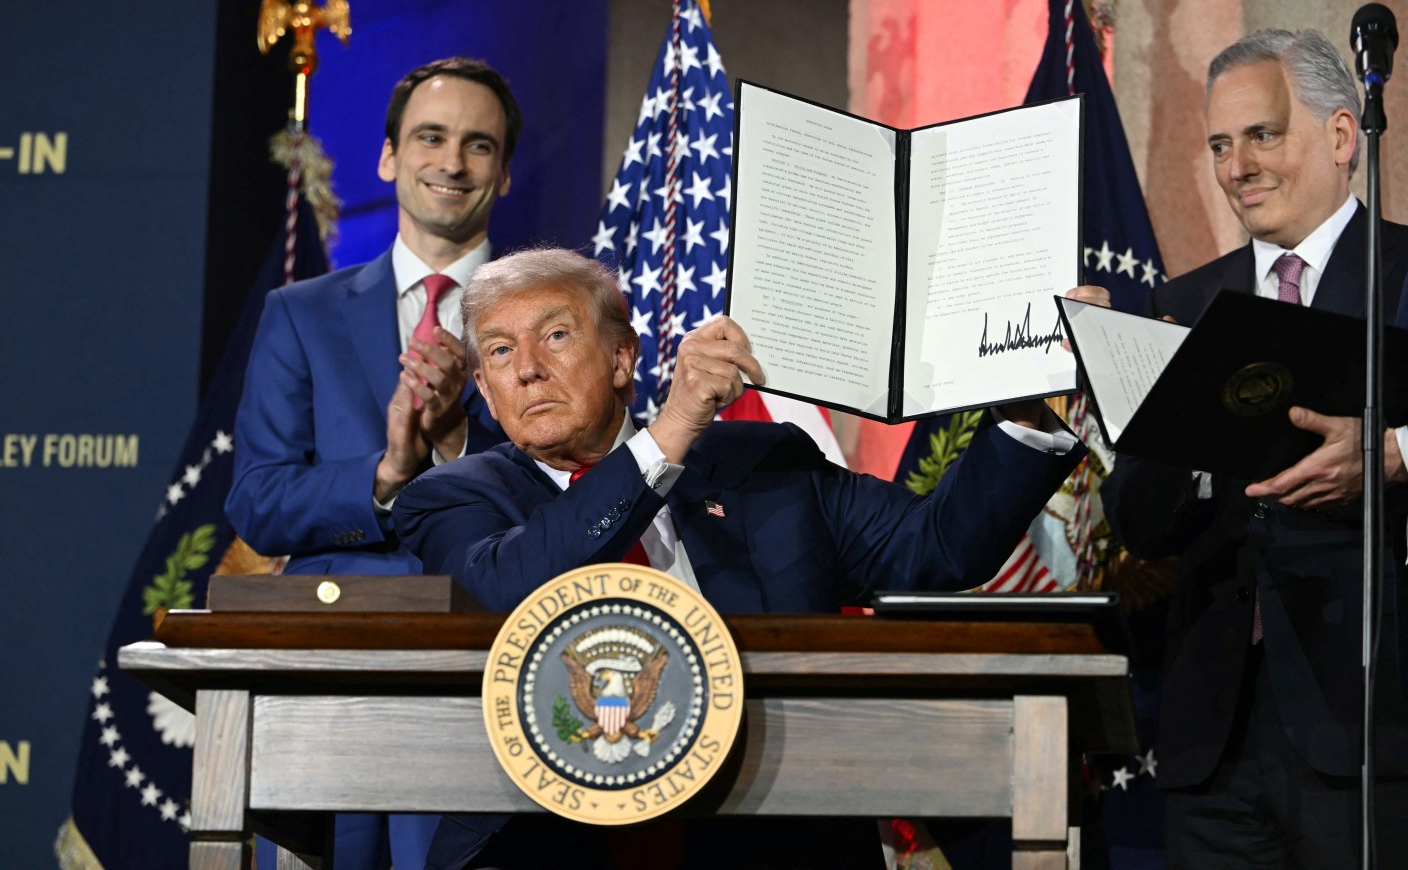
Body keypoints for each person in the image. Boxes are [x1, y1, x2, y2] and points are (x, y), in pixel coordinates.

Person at [393, 247, 1100, 869]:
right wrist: (672, 429)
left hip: (772, 820)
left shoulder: (762, 465)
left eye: (555, 335)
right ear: (482, 390)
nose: (528, 371)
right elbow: (513, 589)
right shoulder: (451, 499)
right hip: (553, 842)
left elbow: (941, 547)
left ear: (621, 358)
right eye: (499, 353)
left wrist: (1023, 410)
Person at [1101, 28, 1408, 868]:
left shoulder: (1405, 273)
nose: (1238, 167)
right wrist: (1133, 385)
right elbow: (1139, 525)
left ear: (1343, 137)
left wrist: (1394, 455)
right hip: (1213, 747)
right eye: (1220, 145)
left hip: (1373, 732)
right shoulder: (1182, 306)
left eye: (1263, 135)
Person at [225, 57, 520, 870]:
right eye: (430, 138)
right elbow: (257, 500)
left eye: (478, 145)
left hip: (486, 669)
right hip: (331, 667)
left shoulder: (548, 319)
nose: (452, 163)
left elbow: (577, 490)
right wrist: (383, 479)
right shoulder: (300, 316)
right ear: (389, 157)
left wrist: (459, 438)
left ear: (503, 171)